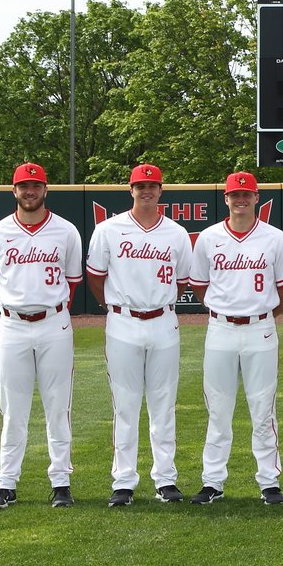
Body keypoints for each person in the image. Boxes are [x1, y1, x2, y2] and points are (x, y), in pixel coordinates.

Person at [187, 171, 283, 505]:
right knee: (218, 409)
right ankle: (213, 482)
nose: (240, 200)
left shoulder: (274, 237)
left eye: (246, 194)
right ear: (226, 198)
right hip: (220, 328)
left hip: (260, 328)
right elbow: (200, 284)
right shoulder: (208, 237)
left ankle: (269, 481)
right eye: (235, 195)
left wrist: (261, 315)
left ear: (256, 198)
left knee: (263, 408)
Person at [86, 164, 192, 507]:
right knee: (125, 405)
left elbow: (181, 280)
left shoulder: (175, 233)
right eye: (140, 185)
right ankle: (123, 481)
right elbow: (96, 278)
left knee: (164, 404)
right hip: (123, 322)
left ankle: (166, 479)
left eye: (152, 185)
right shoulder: (108, 229)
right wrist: (112, 307)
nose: (146, 191)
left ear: (161, 191)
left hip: (163, 321)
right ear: (130, 190)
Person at [0, 162, 84, 510]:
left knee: (59, 405)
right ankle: (6, 483)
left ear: (45, 189)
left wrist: (46, 309)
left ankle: (61, 482)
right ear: (14, 191)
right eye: (24, 186)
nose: (30, 191)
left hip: (54, 323)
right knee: (13, 409)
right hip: (12, 325)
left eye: (36, 185)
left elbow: (72, 282)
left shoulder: (66, 231)